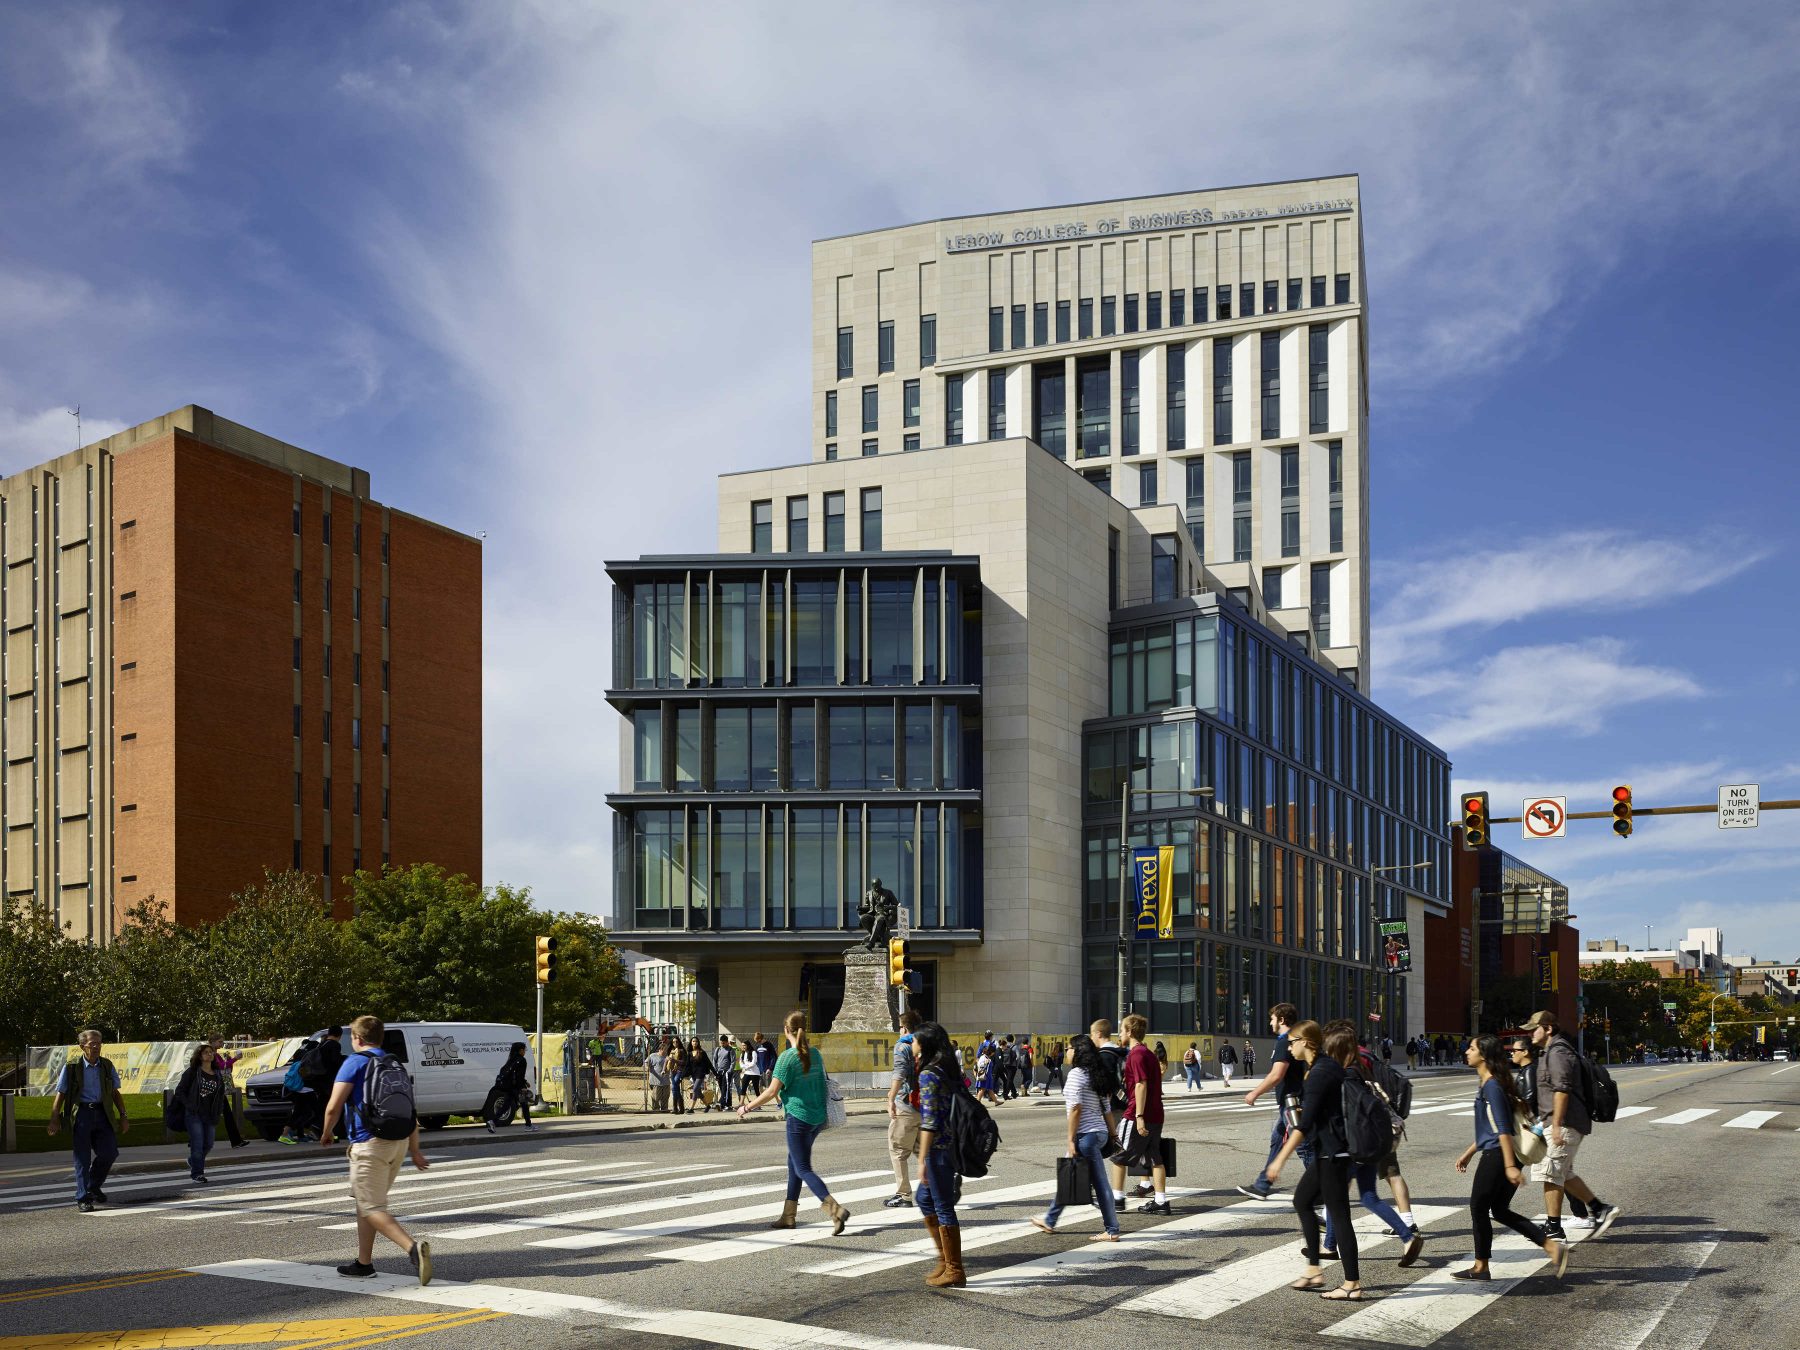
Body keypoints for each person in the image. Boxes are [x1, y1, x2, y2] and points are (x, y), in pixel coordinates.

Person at [322, 1015, 432, 1286]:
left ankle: (412, 1249)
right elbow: (410, 1110)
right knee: (365, 1202)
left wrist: (326, 1132)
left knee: (372, 1206)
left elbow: (334, 1106)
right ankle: (364, 1263)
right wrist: (415, 1150)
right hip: (398, 1143)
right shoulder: (394, 1064)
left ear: (356, 1039)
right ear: (380, 1038)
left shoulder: (354, 1062)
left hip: (369, 1143)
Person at [1454, 1035, 1569, 1280]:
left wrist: (1509, 1166)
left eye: (1471, 1048)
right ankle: (1550, 1246)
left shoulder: (1492, 1086)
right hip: (1500, 1153)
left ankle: (1481, 1266)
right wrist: (1468, 1152)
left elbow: (1504, 1129)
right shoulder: (1491, 1084)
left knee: (1478, 1207)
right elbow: (1493, 1126)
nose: (1467, 1052)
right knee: (1499, 1209)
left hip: (1499, 1155)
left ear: (1483, 1055)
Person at [1265, 1021, 1362, 1302]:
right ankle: (1313, 1270)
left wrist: (1278, 1161)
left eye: (1292, 1041)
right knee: (1303, 1201)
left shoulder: (1320, 1072)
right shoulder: (1322, 1068)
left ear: (1306, 1042)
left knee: (1340, 1216)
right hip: (1329, 1153)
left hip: (1335, 1155)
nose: (1288, 1046)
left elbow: (1304, 1125)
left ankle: (1352, 1283)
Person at [1317, 1021, 1423, 1267]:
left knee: (1337, 1196)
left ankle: (1331, 1247)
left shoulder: (1343, 1077)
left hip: (1352, 1146)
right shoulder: (1361, 1069)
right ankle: (1406, 1237)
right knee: (1368, 1196)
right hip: (1371, 1142)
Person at [736, 1010, 850, 1234]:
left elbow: (771, 1091)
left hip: (799, 1118)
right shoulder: (815, 1054)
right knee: (794, 1165)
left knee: (803, 1168)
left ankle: (834, 1209)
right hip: (817, 1118)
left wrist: (746, 1107)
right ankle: (788, 1216)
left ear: (786, 1030)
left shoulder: (787, 1058)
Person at [1524, 1010, 1620, 1243]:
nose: (1530, 1034)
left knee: (1550, 1174)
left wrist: (1556, 1124)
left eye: (1535, 1028)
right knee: (1563, 1173)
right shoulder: (1552, 1051)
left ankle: (1554, 1229)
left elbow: (1562, 1089)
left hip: (1564, 1122)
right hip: (1560, 1121)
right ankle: (1599, 1209)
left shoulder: (1558, 1052)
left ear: (1548, 1028)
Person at [1031, 1034, 1122, 1242]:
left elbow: (1075, 1109)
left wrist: (1070, 1139)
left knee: (1100, 1184)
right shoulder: (1095, 1074)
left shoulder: (1076, 1075)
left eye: (1070, 1048)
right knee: (1069, 1176)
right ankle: (1050, 1220)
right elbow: (1107, 1109)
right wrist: (1113, 1134)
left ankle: (1112, 1229)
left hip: (1085, 1136)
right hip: (1098, 1133)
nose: (1067, 1052)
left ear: (1078, 1052)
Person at [1509, 1035, 1591, 1228]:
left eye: (1515, 1050)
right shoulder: (1527, 1070)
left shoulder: (1531, 1071)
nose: (1512, 1053)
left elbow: (1530, 1099)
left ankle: (1583, 1214)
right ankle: (1585, 1212)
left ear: (1525, 1052)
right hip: (1539, 1127)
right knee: (1560, 1172)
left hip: (1537, 1128)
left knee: (1551, 1171)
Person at [46, 1030, 131, 1212]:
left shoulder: (106, 1066)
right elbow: (61, 1094)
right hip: (81, 1115)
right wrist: (55, 1118)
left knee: (110, 1153)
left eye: (99, 1043)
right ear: (82, 1046)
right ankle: (83, 1197)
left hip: (103, 1114)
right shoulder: (71, 1067)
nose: (96, 1046)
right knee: (82, 1159)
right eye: (92, 1043)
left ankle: (93, 1185)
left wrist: (123, 1116)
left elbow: (115, 1093)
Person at [911, 1020, 968, 1286]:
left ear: (924, 1044)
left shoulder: (929, 1074)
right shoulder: (947, 1069)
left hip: (939, 1150)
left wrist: (922, 1159)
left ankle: (955, 1269)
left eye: (914, 1040)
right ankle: (945, 1261)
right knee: (924, 1198)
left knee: (943, 1205)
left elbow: (929, 1120)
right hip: (951, 1145)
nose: (912, 1044)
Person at [1239, 1002, 1302, 1200]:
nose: (1270, 1022)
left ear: (1281, 1020)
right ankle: (1262, 1185)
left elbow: (1277, 1075)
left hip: (1293, 1103)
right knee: (1278, 1139)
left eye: (1272, 1018)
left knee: (1304, 1147)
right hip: (1292, 1101)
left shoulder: (1285, 1041)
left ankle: (1323, 1188)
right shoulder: (1295, 1039)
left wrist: (1254, 1093)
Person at [1109, 1015, 1171, 1214]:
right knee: (1155, 1157)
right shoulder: (1149, 1054)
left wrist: (1139, 1116)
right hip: (1156, 1113)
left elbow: (1140, 1084)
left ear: (1129, 1032)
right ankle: (1161, 1201)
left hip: (1138, 1112)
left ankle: (1117, 1199)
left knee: (1118, 1155)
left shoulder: (1136, 1054)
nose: (1119, 1033)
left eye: (1122, 1029)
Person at [173, 1043, 230, 1183]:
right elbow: (179, 1091)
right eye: (206, 1052)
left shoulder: (216, 1074)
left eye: (211, 1052)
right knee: (197, 1144)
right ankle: (197, 1173)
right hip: (194, 1114)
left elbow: (221, 1093)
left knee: (209, 1144)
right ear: (199, 1056)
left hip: (210, 1114)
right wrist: (190, 1105)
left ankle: (193, 1160)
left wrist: (219, 1110)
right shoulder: (192, 1072)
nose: (209, 1054)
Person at [886, 1011, 922, 1208]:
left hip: (907, 1105)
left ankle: (904, 1194)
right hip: (927, 1107)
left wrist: (891, 1098)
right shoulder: (929, 1043)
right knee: (922, 1151)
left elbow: (899, 1073)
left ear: (905, 1028)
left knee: (898, 1150)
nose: (899, 1030)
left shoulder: (903, 1045)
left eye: (900, 1027)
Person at [485, 1042, 535, 1133]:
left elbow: (513, 1074)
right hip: (517, 1087)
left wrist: (525, 1082)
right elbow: (519, 1075)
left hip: (508, 1087)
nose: (525, 1051)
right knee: (524, 1105)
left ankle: (493, 1121)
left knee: (506, 1105)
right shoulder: (522, 1060)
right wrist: (523, 1087)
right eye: (524, 1050)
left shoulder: (511, 1059)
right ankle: (528, 1125)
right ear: (521, 1050)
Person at [208, 1037, 249, 1149]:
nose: (222, 1043)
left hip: (217, 1088)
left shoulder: (216, 1054)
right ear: (212, 1041)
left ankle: (236, 1140)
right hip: (213, 1088)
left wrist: (231, 1060)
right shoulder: (210, 1054)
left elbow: (224, 1067)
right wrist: (235, 1059)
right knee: (211, 1115)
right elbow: (220, 1066)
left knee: (226, 1114)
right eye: (219, 1041)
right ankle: (236, 1141)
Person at [711, 1035, 736, 1113]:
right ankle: (727, 1104)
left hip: (727, 1072)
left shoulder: (730, 1050)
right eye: (721, 1043)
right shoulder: (718, 1049)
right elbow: (714, 1060)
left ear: (727, 1042)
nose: (722, 1044)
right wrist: (715, 1070)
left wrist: (729, 1070)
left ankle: (723, 1104)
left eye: (724, 1043)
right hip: (719, 1072)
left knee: (725, 1087)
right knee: (722, 1089)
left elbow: (733, 1061)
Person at [646, 1038, 672, 1114]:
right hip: (656, 1081)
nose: (666, 1051)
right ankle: (656, 1109)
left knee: (665, 1097)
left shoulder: (667, 1057)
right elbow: (646, 1063)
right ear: (660, 1049)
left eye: (667, 1049)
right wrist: (648, 1067)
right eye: (665, 1049)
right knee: (656, 1097)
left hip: (666, 1081)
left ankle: (664, 1109)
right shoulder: (653, 1056)